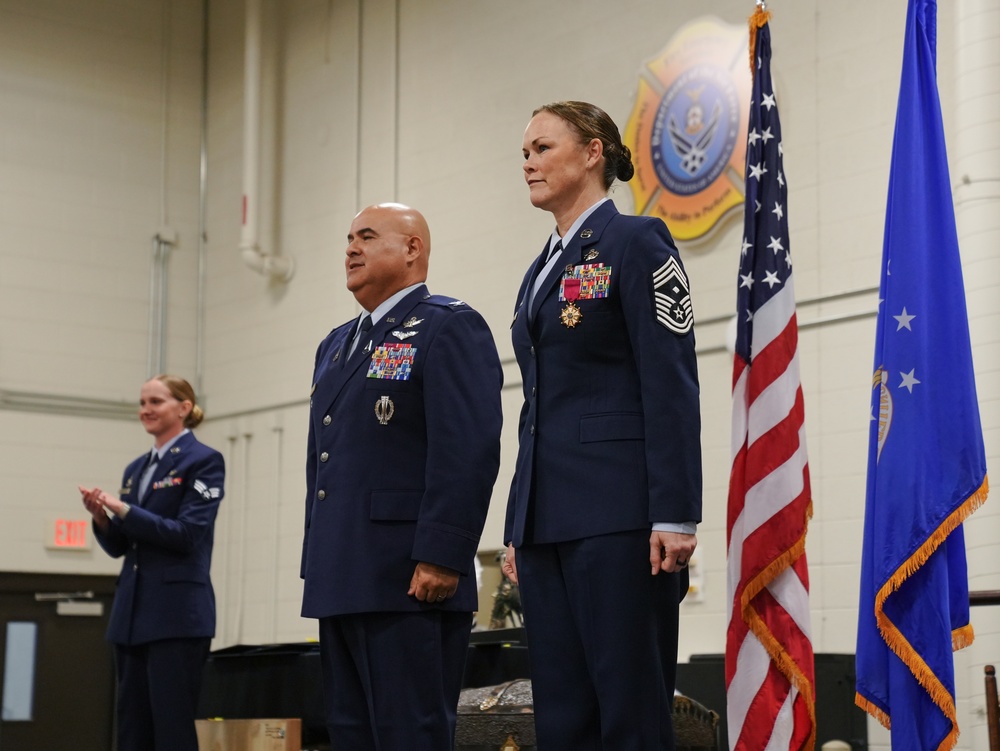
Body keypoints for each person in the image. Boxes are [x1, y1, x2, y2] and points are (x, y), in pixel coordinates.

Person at [502, 101, 703, 751]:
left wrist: (675, 511)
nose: (528, 160)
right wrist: (516, 525)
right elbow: (536, 408)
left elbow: (669, 382)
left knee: (629, 713)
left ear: (593, 153)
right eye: (524, 152)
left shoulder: (636, 242)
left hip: (619, 516)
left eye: (542, 146)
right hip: (546, 523)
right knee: (563, 718)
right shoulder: (539, 269)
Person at [300, 202, 503, 750]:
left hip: (408, 577)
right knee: (351, 735)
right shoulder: (336, 343)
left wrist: (443, 553)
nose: (350, 248)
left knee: (409, 734)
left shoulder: (448, 325)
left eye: (366, 236)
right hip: (342, 573)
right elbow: (323, 461)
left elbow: (469, 449)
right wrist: (314, 560)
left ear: (412, 249)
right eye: (347, 238)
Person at [79, 374, 225, 751]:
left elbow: (186, 535)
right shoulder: (136, 469)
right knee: (131, 730)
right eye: (142, 402)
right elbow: (121, 547)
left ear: (184, 407)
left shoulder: (204, 460)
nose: (146, 410)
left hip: (176, 617)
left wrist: (124, 509)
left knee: (172, 729)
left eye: (156, 402)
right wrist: (102, 518)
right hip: (132, 616)